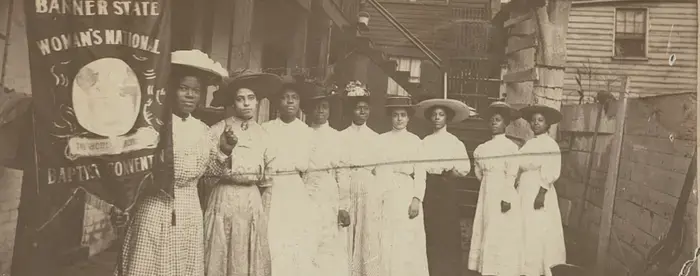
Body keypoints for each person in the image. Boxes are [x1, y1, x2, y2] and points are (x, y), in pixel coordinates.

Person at [113, 49, 228, 276]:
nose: (190, 96)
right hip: (155, 206)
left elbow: (211, 173)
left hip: (189, 209)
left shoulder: (202, 130)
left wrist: (225, 150)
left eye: (196, 91)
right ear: (171, 90)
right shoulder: (154, 125)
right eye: (184, 88)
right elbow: (131, 170)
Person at [203, 69, 283, 276]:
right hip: (224, 196)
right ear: (233, 103)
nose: (246, 103)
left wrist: (262, 213)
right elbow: (208, 171)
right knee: (220, 250)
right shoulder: (217, 129)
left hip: (251, 199)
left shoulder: (264, 135)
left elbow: (267, 182)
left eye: (251, 98)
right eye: (240, 99)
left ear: (257, 102)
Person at [261, 75, 315, 276]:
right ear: (277, 102)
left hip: (294, 187)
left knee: (295, 238)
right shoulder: (266, 129)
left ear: (300, 102)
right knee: (273, 235)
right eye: (285, 97)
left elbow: (307, 167)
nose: (290, 101)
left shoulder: (307, 132)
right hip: (272, 187)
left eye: (295, 97)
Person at [414, 98, 472, 276]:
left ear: (447, 118)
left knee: (447, 229)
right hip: (430, 188)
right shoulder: (424, 142)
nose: (437, 118)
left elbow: (465, 168)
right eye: (434, 115)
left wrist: (449, 175)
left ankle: (448, 270)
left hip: (446, 188)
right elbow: (420, 167)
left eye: (441, 115)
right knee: (430, 228)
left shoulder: (454, 142)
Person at [300, 81, 351, 276]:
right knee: (306, 238)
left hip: (328, 194)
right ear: (308, 110)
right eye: (315, 107)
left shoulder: (337, 138)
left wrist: (344, 206)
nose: (320, 111)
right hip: (304, 191)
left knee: (328, 242)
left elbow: (343, 172)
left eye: (324, 107)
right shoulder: (302, 133)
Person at [375, 95, 429, 276]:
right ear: (390, 117)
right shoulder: (381, 140)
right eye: (395, 115)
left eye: (403, 115)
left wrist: (416, 199)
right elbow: (376, 169)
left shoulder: (416, 141)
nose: (399, 119)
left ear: (408, 118)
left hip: (406, 191)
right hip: (385, 191)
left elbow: (421, 173)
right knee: (385, 237)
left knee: (406, 240)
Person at [468, 101, 523, 276]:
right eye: (492, 120)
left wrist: (506, 196)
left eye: (498, 120)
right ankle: (486, 267)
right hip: (486, 192)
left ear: (505, 123)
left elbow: (512, 174)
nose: (494, 123)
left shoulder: (510, 147)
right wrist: (487, 182)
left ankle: (501, 269)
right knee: (485, 226)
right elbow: (478, 171)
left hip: (503, 192)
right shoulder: (482, 149)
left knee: (500, 228)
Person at [339, 80, 382, 276]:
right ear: (351, 111)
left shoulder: (375, 138)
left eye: (365, 108)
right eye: (358, 108)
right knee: (347, 230)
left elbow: (380, 170)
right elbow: (340, 168)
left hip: (369, 186)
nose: (362, 112)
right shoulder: (342, 136)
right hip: (348, 182)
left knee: (367, 231)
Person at [517, 104, 566, 276]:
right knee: (524, 226)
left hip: (538, 188)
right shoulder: (529, 144)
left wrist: (541, 193)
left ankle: (537, 268)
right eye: (533, 120)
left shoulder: (550, 144)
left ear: (548, 124)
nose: (536, 123)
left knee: (537, 226)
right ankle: (524, 266)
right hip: (524, 188)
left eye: (540, 120)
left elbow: (551, 169)